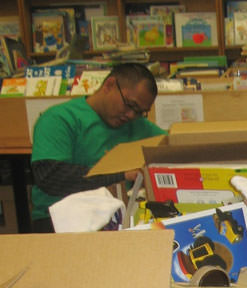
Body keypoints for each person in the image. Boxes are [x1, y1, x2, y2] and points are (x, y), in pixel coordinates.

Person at [30, 63, 166, 232]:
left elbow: (176, 146)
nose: (131, 115)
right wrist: (121, 174)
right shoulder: (59, 119)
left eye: (140, 111)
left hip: (121, 218)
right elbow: (50, 176)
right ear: (109, 85)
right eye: (130, 105)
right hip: (61, 222)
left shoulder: (140, 126)